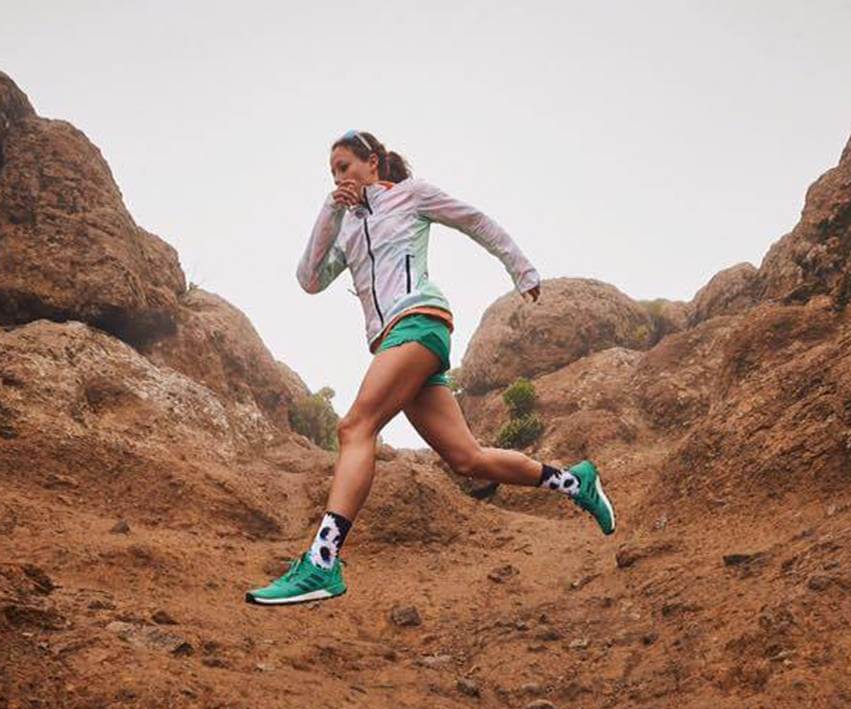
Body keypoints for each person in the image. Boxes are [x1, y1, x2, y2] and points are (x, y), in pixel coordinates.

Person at [246, 130, 615, 605]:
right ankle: (575, 481)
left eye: (346, 166)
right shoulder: (347, 228)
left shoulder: (409, 197)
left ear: (373, 163)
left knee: (355, 427)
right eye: (333, 171)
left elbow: (475, 221)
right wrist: (331, 209)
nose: (340, 176)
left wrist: (521, 269)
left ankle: (322, 562)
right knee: (467, 459)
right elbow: (309, 279)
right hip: (392, 342)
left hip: (419, 321)